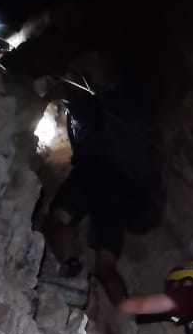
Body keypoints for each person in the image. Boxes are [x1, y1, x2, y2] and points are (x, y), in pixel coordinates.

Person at [43, 76, 165, 315]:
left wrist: (49, 92)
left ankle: (71, 269)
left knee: (58, 220)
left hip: (92, 174)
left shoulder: (104, 107)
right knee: (106, 264)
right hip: (127, 193)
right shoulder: (147, 124)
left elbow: (68, 96)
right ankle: (128, 316)